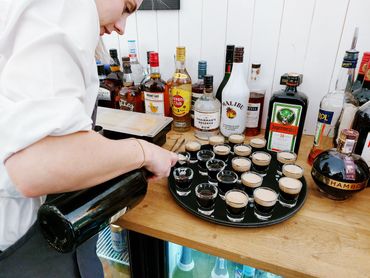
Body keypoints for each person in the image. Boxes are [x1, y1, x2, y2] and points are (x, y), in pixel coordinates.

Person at [0, 0, 177, 276]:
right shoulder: (63, 6)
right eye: (127, 6)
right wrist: (144, 151)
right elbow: (37, 163)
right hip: (29, 249)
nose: (121, 26)